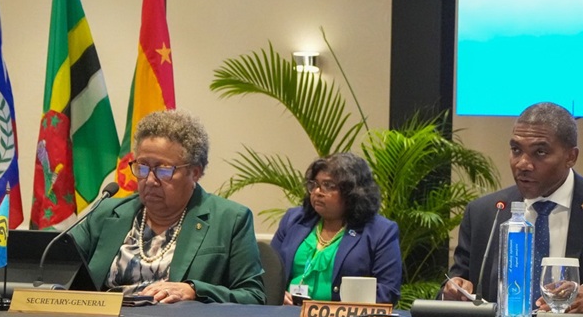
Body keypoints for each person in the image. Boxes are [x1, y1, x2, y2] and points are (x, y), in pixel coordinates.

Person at [442, 102, 583, 317]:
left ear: (571, 157)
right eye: (516, 150)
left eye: (540, 152)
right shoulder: (485, 213)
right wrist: (453, 291)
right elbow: (453, 289)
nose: (523, 164)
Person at [72, 109, 265, 304]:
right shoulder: (106, 214)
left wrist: (194, 290)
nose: (149, 180)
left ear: (195, 173)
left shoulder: (230, 219)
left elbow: (254, 296)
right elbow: (56, 263)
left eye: (163, 170)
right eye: (143, 167)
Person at [271, 153, 402, 305]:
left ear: (353, 192)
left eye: (328, 186)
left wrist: (335, 311)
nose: (317, 192)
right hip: (285, 316)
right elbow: (269, 273)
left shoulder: (380, 231)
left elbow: (388, 291)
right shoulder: (293, 220)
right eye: (315, 185)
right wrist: (277, 294)